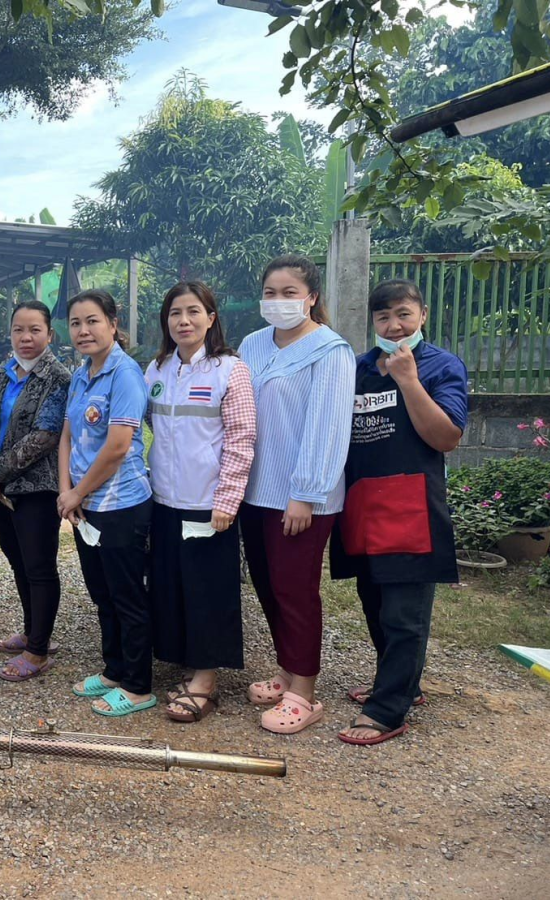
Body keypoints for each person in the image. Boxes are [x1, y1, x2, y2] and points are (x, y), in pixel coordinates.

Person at [331, 279, 468, 745]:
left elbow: (446, 437)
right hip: (364, 505)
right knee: (374, 604)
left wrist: (408, 379)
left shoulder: (440, 367)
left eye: (403, 314)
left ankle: (388, 709)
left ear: (422, 315)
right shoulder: (358, 368)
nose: (394, 325)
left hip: (411, 508)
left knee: (404, 615)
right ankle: (400, 681)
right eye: (383, 317)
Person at [237, 254, 354, 734]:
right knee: (267, 586)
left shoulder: (330, 351)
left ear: (312, 298)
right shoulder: (251, 344)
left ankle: (304, 691)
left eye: (289, 293)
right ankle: (286, 670)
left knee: (295, 589)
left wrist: (305, 493)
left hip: (302, 496)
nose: (279, 302)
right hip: (255, 490)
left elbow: (327, 427)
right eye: (271, 293)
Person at [145, 282, 256, 723]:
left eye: (193, 311)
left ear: (211, 318)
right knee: (172, 585)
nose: (183, 321)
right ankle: (185, 662)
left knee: (208, 589)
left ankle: (206, 680)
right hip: (163, 500)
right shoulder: (155, 370)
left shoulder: (230, 370)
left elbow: (242, 438)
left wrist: (228, 499)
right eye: (175, 313)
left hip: (209, 501)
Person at [61, 290, 155, 717]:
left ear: (113, 324)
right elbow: (67, 435)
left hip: (121, 505)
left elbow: (118, 446)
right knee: (102, 593)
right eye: (77, 322)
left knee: (127, 595)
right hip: (84, 506)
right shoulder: (81, 373)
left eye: (93, 321)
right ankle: (115, 669)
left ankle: (138, 686)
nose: (84, 330)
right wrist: (68, 491)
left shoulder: (125, 374)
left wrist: (78, 493)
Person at [0, 300, 71, 682]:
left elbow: (45, 436)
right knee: (17, 560)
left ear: (50, 335)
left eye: (35, 330)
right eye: (19, 329)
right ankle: (34, 632)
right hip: (2, 489)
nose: (26, 338)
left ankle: (38, 650)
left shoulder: (58, 377)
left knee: (39, 566)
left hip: (37, 488)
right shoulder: (1, 372)